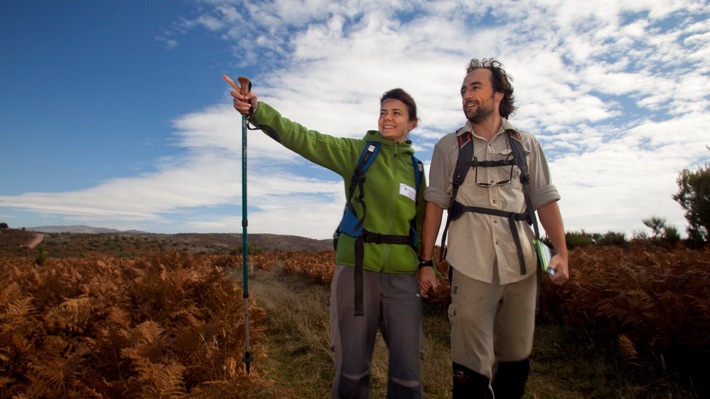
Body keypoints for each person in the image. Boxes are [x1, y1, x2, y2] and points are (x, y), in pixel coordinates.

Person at [225, 76, 426, 399]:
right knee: (353, 370)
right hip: (357, 272)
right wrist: (259, 112)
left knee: (408, 376)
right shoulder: (358, 153)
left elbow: (423, 221)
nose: (387, 117)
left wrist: (427, 265)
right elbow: (306, 139)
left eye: (397, 113)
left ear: (412, 123)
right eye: (383, 111)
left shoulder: (416, 170)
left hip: (403, 277)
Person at [416, 58, 570, 398]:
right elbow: (435, 206)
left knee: (516, 357)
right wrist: (426, 264)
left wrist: (561, 250)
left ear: (499, 94)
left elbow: (544, 199)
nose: (466, 95)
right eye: (463, 90)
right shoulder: (448, 146)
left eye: (475, 87)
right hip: (470, 264)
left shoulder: (526, 144)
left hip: (523, 265)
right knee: (470, 365)